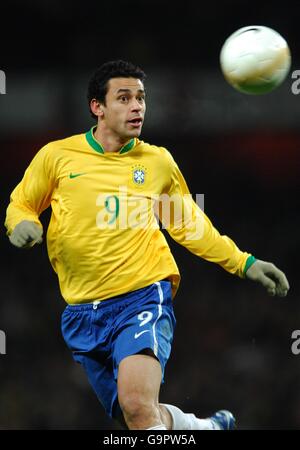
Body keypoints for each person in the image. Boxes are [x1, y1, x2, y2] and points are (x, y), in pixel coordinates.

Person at [5, 60, 289, 431]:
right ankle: (204, 428)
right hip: (80, 312)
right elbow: (22, 203)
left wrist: (244, 262)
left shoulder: (157, 162)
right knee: (134, 415)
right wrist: (21, 225)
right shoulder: (57, 156)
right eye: (124, 98)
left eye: (141, 97)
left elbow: (189, 225)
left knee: (138, 405)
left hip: (141, 297)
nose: (137, 106)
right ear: (98, 107)